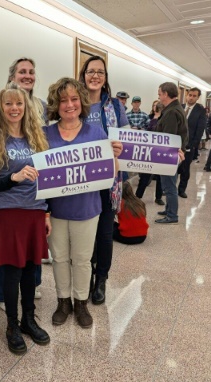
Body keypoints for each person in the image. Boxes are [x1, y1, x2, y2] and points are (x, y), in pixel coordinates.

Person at [0, 82, 50, 355]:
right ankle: (11, 325)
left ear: (26, 107)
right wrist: (14, 178)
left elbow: (50, 179)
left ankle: (29, 319)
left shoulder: (37, 138)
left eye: (19, 103)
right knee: (11, 272)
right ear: (1, 107)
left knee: (31, 269)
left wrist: (47, 211)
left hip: (34, 212)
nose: (14, 108)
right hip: (7, 214)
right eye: (8, 103)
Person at [45, 77, 122, 328]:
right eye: (64, 100)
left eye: (74, 99)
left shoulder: (95, 132)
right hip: (55, 209)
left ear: (82, 102)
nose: (69, 104)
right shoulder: (45, 134)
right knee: (58, 258)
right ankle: (63, 301)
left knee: (82, 259)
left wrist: (115, 158)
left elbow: (110, 174)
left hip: (87, 209)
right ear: (56, 104)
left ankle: (80, 302)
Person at [78, 55, 127, 306]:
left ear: (105, 78)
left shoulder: (116, 107)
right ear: (83, 75)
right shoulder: (74, 104)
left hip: (109, 182)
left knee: (105, 234)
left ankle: (100, 280)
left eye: (100, 72)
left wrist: (171, 155)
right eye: (90, 71)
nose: (95, 76)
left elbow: (129, 141)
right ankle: (85, 278)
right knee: (85, 234)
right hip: (82, 181)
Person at [155, 82, 187, 225]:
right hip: (172, 154)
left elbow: (167, 138)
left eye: (160, 94)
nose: (159, 97)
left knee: (169, 186)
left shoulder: (171, 112)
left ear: (166, 94)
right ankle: (168, 209)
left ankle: (172, 215)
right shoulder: (175, 108)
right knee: (169, 184)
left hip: (168, 155)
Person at [178, 87, 207, 198]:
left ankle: (181, 189)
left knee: (185, 167)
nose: (191, 97)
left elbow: (200, 129)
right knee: (174, 167)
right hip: (177, 142)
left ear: (198, 97)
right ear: (187, 95)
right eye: (190, 95)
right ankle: (169, 189)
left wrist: (194, 144)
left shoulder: (200, 110)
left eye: (194, 96)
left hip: (189, 144)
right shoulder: (180, 107)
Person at [135, 101, 164, 205]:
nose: (156, 107)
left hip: (160, 150)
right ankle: (138, 196)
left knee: (160, 175)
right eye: (154, 105)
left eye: (158, 105)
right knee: (145, 174)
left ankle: (158, 197)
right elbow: (147, 129)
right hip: (149, 150)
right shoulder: (149, 117)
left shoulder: (164, 117)